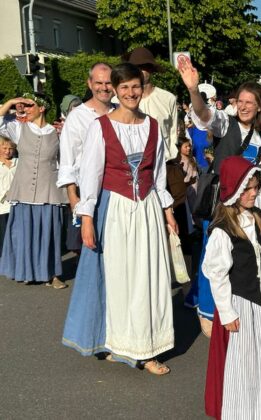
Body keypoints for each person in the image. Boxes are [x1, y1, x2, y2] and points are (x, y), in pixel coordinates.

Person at [62, 63, 177, 375]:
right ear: (115, 90)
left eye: (135, 86)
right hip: (116, 210)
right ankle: (122, 343)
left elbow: (158, 175)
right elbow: (90, 176)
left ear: (142, 88)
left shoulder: (152, 126)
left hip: (148, 209)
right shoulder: (100, 127)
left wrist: (167, 211)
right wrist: (87, 219)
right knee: (121, 278)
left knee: (150, 276)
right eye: (124, 87)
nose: (130, 92)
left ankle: (148, 348)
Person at [178, 55, 261, 335]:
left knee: (238, 256)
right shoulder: (226, 124)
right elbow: (204, 115)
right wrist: (193, 90)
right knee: (214, 255)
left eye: (249, 102)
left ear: (259, 106)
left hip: (245, 205)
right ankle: (207, 312)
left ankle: (227, 305)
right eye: (240, 101)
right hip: (221, 203)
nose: (243, 106)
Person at [203, 155, 261, 419]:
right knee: (245, 360)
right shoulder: (223, 229)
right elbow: (217, 274)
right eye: (247, 188)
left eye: (255, 188)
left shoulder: (260, 217)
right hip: (240, 303)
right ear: (234, 189)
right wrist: (227, 313)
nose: (253, 193)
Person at [0, 93, 69, 288]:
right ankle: (27, 271)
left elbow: (65, 163)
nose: (25, 109)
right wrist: (11, 102)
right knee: (25, 234)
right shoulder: (19, 128)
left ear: (42, 108)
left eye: (29, 105)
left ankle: (53, 274)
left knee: (50, 234)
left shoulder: (58, 133)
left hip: (49, 190)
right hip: (24, 191)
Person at [57, 62, 114, 254]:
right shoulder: (77, 117)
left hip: (117, 191)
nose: (104, 88)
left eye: (108, 82)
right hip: (88, 194)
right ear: (90, 84)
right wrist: (73, 198)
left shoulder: (120, 112)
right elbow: (68, 161)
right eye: (99, 83)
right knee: (92, 250)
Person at [128, 47, 179, 160]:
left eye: (144, 66)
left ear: (151, 69)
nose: (140, 71)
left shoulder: (167, 98)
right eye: (136, 67)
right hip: (131, 164)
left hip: (163, 161)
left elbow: (173, 134)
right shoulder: (118, 101)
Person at [0, 137, 17, 255]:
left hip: (17, 205)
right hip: (2, 207)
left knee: (16, 235)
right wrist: (5, 193)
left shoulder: (18, 163)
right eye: (4, 148)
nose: (7, 151)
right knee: (4, 237)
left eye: (10, 148)